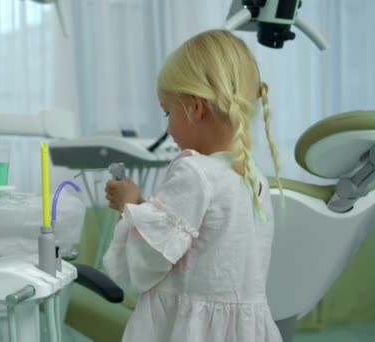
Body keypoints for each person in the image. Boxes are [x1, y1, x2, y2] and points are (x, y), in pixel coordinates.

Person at [103, 29, 284, 342]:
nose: (168, 125)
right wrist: (145, 206)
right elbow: (199, 244)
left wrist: (127, 208)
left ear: (196, 107)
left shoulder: (195, 172)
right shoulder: (252, 176)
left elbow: (146, 264)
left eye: (167, 111)